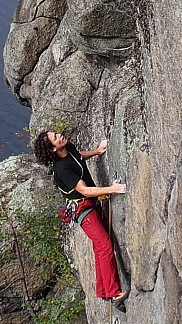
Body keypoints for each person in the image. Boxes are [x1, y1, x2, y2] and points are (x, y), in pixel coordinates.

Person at [33, 129, 125, 304]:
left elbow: (78, 157)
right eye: (55, 137)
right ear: (53, 149)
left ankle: (104, 290)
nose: (59, 135)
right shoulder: (61, 169)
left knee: (101, 247)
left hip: (90, 205)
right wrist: (111, 189)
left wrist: (97, 151)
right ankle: (114, 293)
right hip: (83, 209)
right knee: (104, 245)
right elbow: (84, 190)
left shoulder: (69, 148)